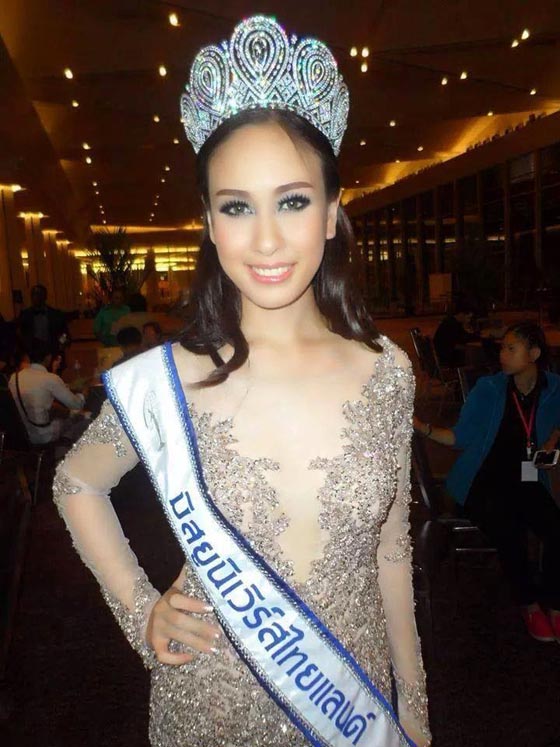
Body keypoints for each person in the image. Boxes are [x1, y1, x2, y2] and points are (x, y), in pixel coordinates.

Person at [52, 16, 430, 747]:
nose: (265, 239)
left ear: (331, 214)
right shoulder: (168, 381)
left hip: (351, 709)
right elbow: (76, 482)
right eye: (236, 206)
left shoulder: (387, 370)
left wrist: (413, 703)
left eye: (292, 201)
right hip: (208, 707)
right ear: (208, 222)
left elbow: (391, 551)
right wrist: (139, 608)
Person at [414, 321, 560, 643]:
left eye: (511, 348)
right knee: (510, 529)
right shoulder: (489, 389)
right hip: (482, 479)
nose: (502, 354)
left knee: (555, 527)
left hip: (527, 477)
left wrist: (554, 437)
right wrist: (424, 428)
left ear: (534, 354)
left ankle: (554, 604)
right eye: (503, 347)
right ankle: (529, 604)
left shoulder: (554, 388)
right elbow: (460, 437)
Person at [9, 339, 86, 445]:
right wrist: (84, 394)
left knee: (60, 413)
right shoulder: (50, 379)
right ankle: (66, 451)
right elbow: (76, 404)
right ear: (48, 357)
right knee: (80, 418)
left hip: (23, 434)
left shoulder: (14, 377)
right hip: (44, 435)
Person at [18, 284, 69, 356]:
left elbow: (65, 333)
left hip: (52, 353)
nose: (36, 297)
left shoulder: (56, 314)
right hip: (32, 355)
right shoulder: (25, 315)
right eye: (33, 294)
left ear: (45, 296)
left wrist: (60, 344)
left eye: (39, 294)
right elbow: (21, 335)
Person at [432, 299, 478, 368]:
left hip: (445, 354)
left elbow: (464, 337)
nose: (469, 320)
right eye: (468, 317)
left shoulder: (452, 321)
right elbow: (454, 344)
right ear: (461, 314)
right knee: (474, 353)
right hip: (447, 357)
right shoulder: (451, 324)